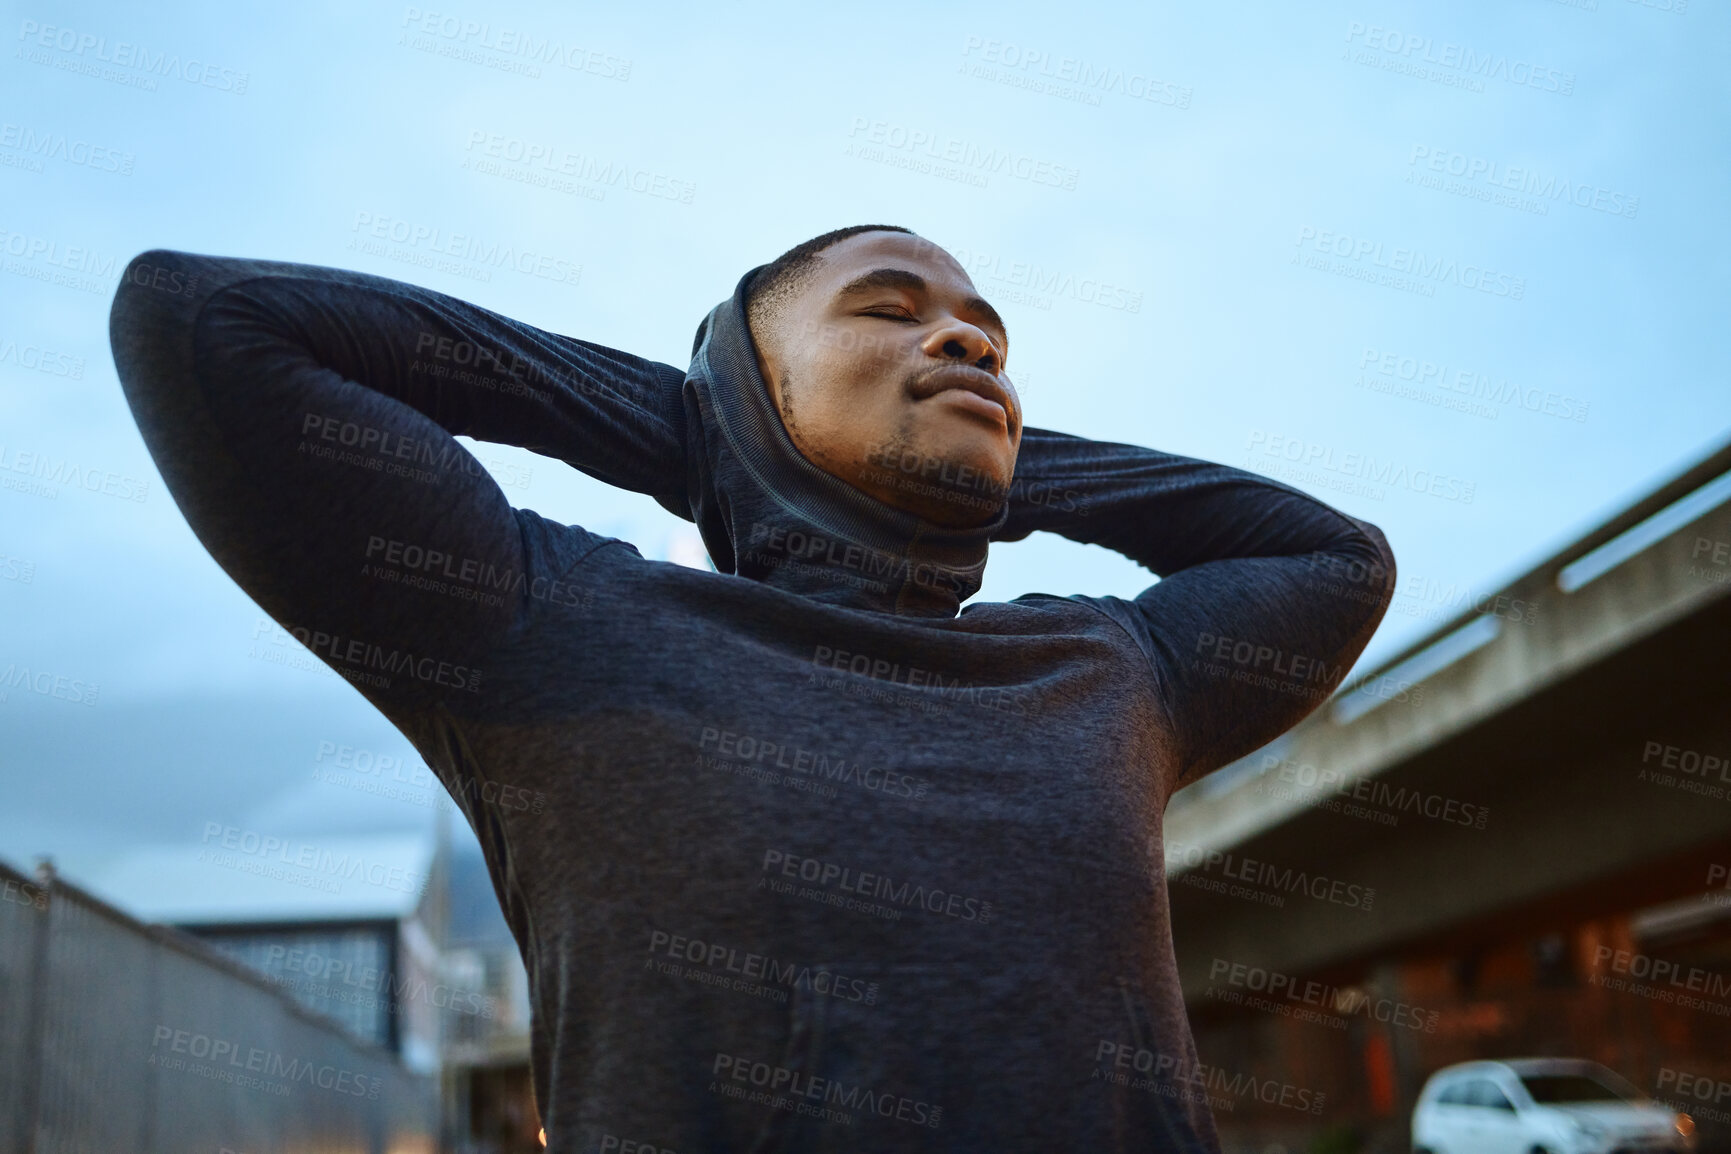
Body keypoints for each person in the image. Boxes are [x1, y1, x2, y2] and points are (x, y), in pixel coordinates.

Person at [109, 224, 1395, 1152]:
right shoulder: (548, 619)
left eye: (992, 341)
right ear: (742, 384)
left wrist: (978, 448)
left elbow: (1336, 557)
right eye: (889, 312)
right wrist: (694, 427)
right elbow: (202, 322)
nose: (966, 338)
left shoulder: (1113, 671)